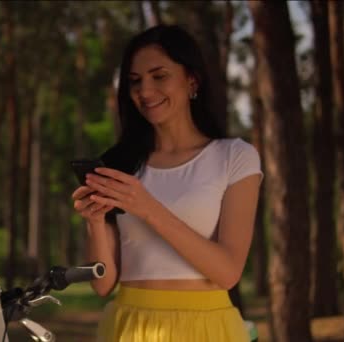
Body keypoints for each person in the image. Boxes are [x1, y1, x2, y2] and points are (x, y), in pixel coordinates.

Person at [71, 24, 262, 342]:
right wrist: (95, 222)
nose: (145, 92)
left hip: (205, 329)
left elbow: (228, 272)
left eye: (159, 76)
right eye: (135, 81)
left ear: (192, 81)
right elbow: (103, 284)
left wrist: (147, 207)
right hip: (129, 327)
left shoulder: (235, 157)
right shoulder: (120, 164)